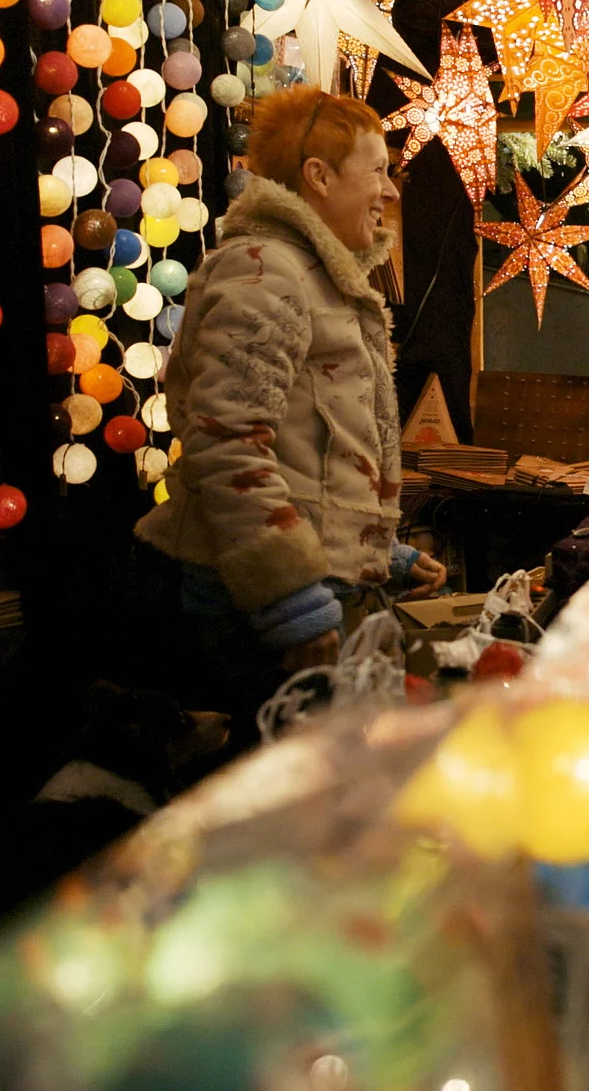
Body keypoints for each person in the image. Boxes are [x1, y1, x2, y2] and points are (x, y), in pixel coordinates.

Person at [136, 86, 446, 724]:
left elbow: (308, 450)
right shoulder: (263, 272)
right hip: (254, 607)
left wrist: (373, 551)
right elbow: (229, 445)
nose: (390, 192)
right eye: (379, 171)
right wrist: (292, 602)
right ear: (319, 176)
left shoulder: (311, 275)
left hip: (307, 588)